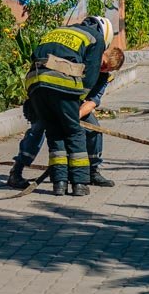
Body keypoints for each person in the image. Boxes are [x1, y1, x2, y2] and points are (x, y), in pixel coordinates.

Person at [19, 15, 115, 197]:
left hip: (35, 81)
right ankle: (79, 183)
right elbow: (90, 77)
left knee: (54, 133)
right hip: (62, 85)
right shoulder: (95, 38)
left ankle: (59, 184)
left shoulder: (59, 31)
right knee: (73, 132)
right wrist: (75, 102)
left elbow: (35, 56)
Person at [8, 44, 125, 190]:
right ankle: (17, 171)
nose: (103, 69)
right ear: (100, 56)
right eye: (103, 64)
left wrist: (73, 117)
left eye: (108, 69)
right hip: (52, 100)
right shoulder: (82, 62)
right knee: (38, 129)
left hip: (75, 109)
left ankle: (92, 171)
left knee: (94, 130)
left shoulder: (103, 78)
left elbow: (92, 102)